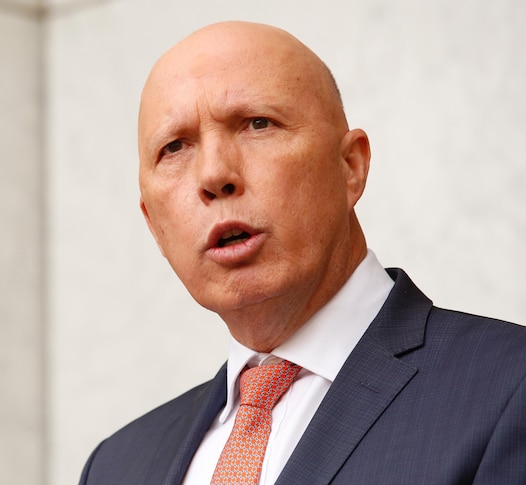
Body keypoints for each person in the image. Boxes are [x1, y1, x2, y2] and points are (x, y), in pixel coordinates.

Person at [79, 21, 526, 485]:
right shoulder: (115, 465)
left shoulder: (510, 389)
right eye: (174, 147)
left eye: (257, 123)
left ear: (350, 167)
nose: (214, 174)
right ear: (154, 223)